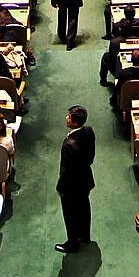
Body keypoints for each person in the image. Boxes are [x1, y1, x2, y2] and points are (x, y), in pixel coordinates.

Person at [55, 104, 95, 253]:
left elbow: (67, 171)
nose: (66, 118)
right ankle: (85, 236)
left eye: (69, 117)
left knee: (70, 214)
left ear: (75, 123)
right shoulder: (89, 131)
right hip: (85, 179)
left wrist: (61, 188)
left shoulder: (69, 145)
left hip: (72, 185)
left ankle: (72, 243)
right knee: (84, 208)